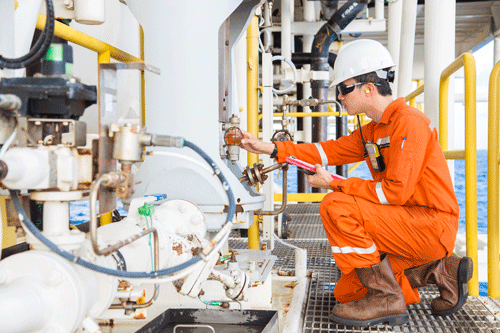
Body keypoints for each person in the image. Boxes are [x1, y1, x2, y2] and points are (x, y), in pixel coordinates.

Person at [240, 39, 473, 327]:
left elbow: (394, 193)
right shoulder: (374, 130)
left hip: (431, 226)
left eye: (344, 89)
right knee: (347, 293)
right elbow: (327, 151)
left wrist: (335, 184)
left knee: (336, 206)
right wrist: (270, 148)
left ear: (368, 88)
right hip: (406, 223)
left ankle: (385, 297)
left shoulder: (409, 123)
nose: (339, 96)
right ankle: (439, 271)